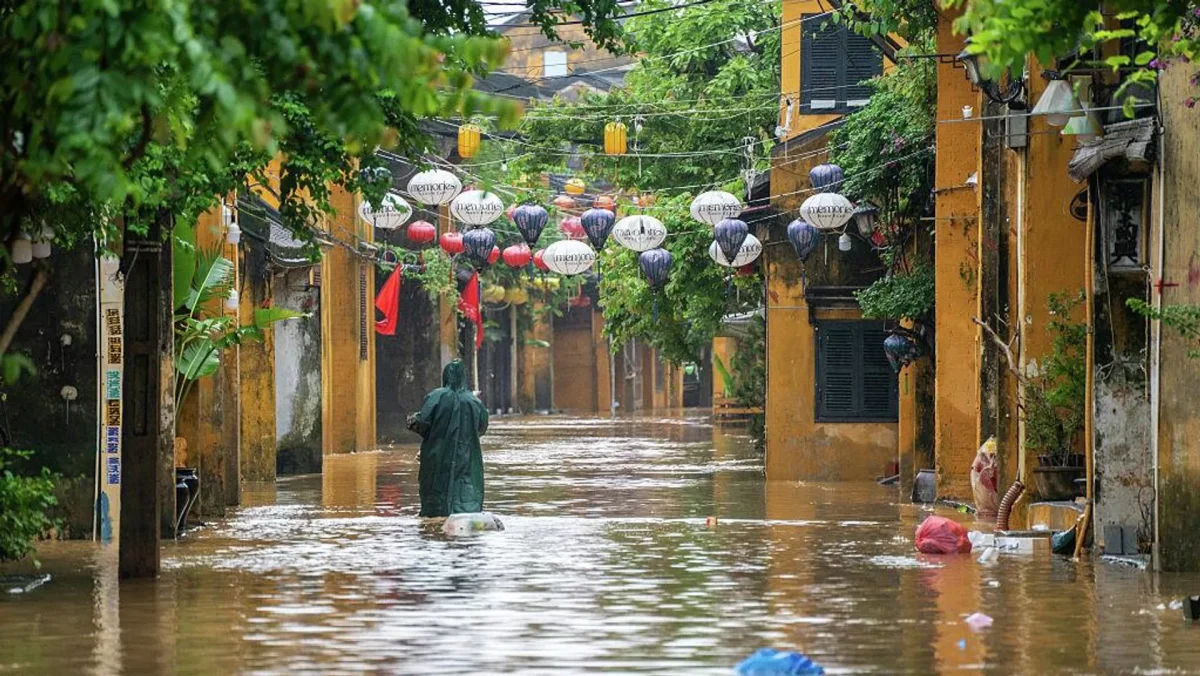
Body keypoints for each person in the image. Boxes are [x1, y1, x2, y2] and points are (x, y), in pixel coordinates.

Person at [407, 360, 489, 517]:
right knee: (464, 482)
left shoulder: (435, 397)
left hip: (437, 454)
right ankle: (464, 512)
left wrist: (413, 420)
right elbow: (482, 426)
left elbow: (422, 423)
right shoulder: (474, 402)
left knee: (435, 483)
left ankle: (436, 515)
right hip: (466, 454)